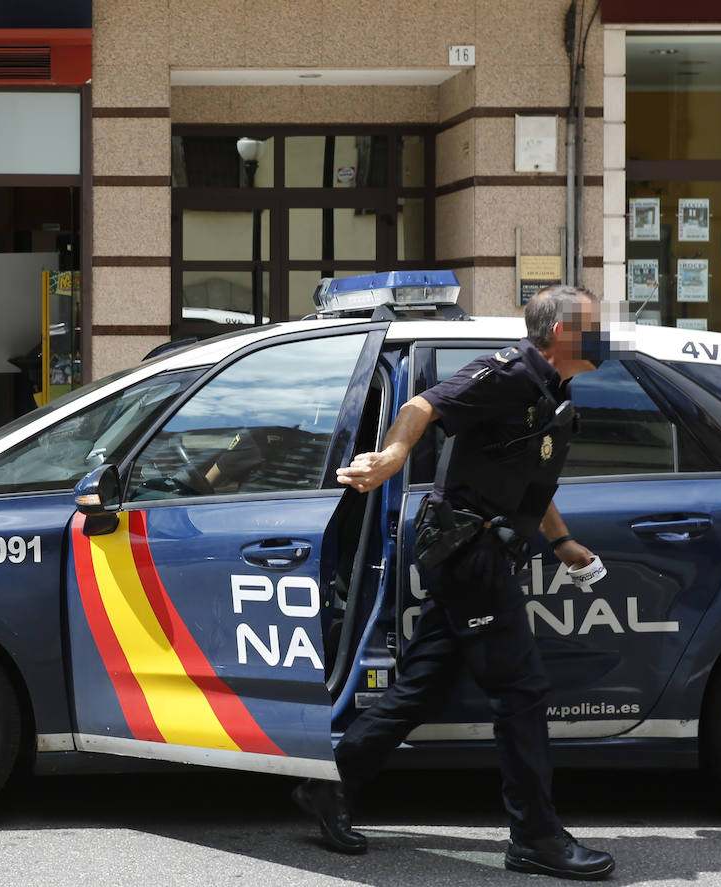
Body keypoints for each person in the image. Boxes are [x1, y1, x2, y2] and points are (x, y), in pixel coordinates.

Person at [292, 285, 616, 881]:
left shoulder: (555, 392)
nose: (606, 336)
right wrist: (390, 458)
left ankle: (327, 784)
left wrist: (561, 539)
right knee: (520, 690)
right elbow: (421, 407)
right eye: (595, 326)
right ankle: (535, 836)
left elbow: (524, 477)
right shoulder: (508, 374)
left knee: (423, 685)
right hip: (468, 553)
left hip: (485, 550)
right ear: (561, 334)